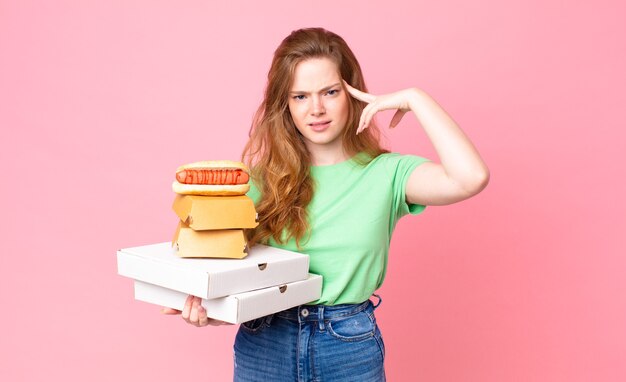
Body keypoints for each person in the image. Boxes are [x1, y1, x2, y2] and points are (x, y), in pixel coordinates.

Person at [163, 27, 489, 381]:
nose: (316, 109)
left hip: (347, 345)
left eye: (330, 92)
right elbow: (224, 262)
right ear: (284, 105)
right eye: (300, 96)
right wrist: (213, 307)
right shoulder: (259, 181)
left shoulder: (388, 173)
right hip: (264, 341)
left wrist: (416, 98)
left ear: (352, 93)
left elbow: (470, 177)